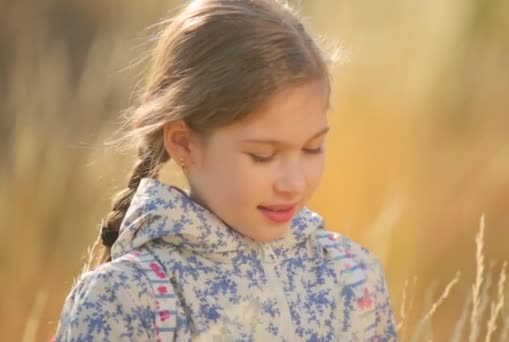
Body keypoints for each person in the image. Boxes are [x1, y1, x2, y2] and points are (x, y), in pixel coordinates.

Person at [54, 0, 397, 340]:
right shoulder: (126, 298)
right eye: (263, 155)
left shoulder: (353, 277)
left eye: (312, 148)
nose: (294, 184)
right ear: (184, 143)